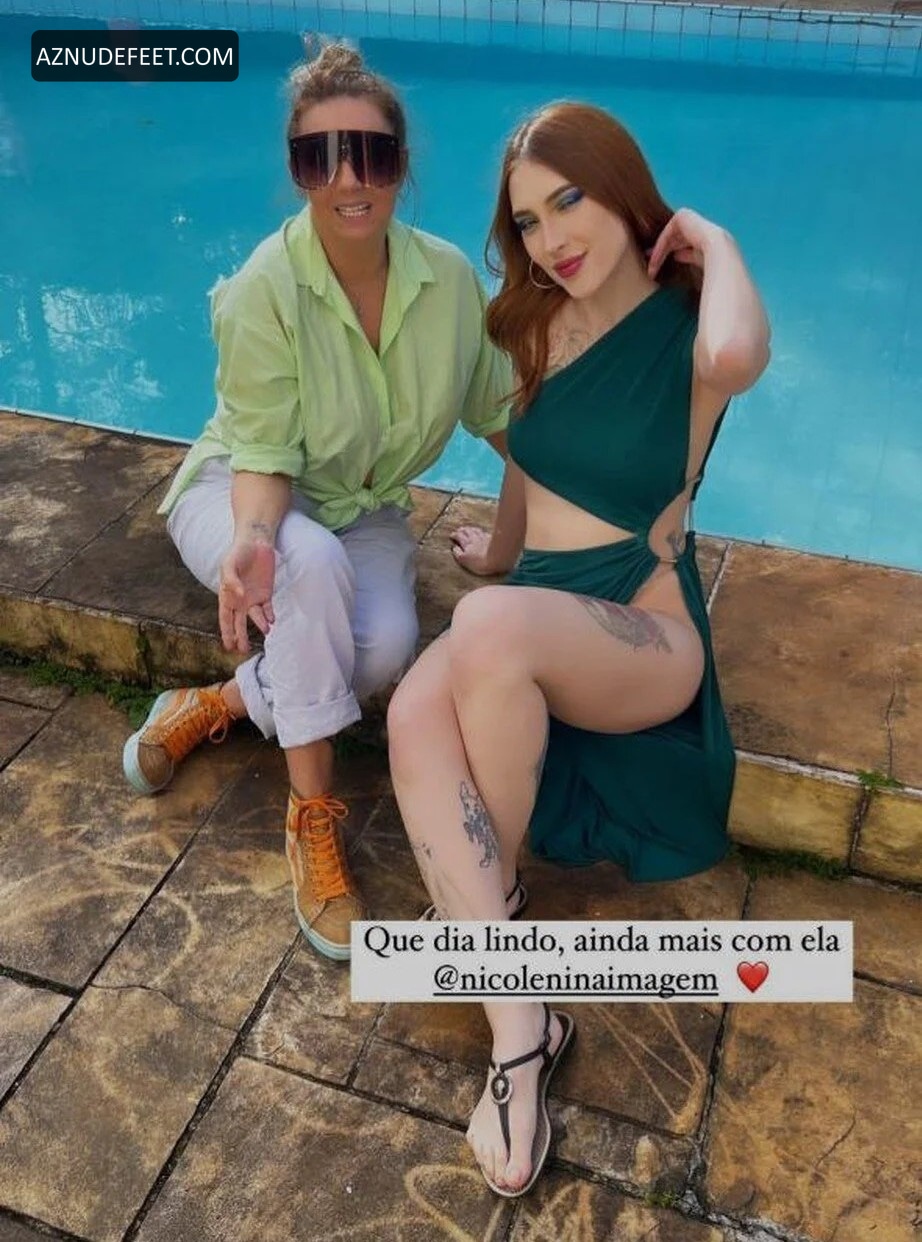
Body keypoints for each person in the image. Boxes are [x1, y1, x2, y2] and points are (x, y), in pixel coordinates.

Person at [387, 101, 770, 1197]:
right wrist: (500, 555)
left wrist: (714, 237)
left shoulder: (691, 325)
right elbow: (527, 463)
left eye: (570, 201)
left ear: (623, 192)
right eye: (528, 220)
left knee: (485, 632)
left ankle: (483, 906)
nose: (552, 238)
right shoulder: (535, 322)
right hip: (532, 605)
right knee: (414, 710)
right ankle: (523, 1022)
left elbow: (739, 354)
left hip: (641, 631)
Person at [121, 41, 511, 962]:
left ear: (400, 165)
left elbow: (506, 417)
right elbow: (261, 458)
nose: (347, 179)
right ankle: (310, 820)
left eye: (370, 154)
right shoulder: (263, 288)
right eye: (318, 156)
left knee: (385, 648)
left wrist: (548, 531)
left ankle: (221, 700)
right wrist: (255, 540)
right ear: (296, 170)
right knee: (309, 565)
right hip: (237, 491)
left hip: (362, 505)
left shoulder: (451, 282)